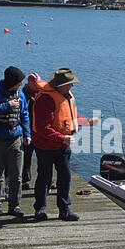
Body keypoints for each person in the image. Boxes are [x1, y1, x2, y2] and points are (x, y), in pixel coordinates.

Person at [32, 68, 100, 221]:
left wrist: (88, 122)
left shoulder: (66, 95)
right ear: (60, 85)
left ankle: (64, 210)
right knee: (44, 178)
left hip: (62, 145)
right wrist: (62, 138)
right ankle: (40, 209)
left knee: (65, 177)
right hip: (46, 146)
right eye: (70, 84)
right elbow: (43, 127)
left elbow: (71, 117)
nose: (72, 87)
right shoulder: (46, 99)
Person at [0, 66, 31, 217]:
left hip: (16, 139)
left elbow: (24, 115)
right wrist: (7, 105)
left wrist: (28, 134)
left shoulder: (20, 94)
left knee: (17, 175)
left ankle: (14, 206)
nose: (21, 85)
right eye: (19, 82)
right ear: (12, 81)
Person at [21, 73, 55, 191]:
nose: (38, 85)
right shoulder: (23, 95)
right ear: (29, 83)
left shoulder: (43, 93)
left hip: (41, 131)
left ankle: (49, 181)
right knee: (26, 157)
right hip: (29, 129)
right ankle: (25, 180)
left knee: (46, 158)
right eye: (36, 84)